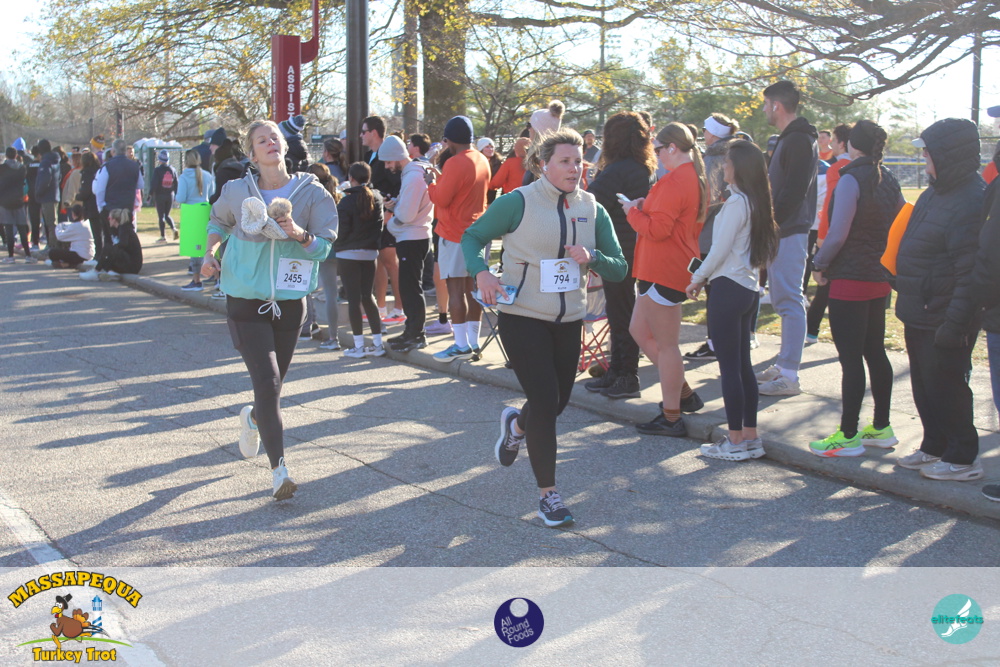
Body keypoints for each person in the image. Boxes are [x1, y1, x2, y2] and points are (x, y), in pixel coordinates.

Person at [462, 128, 626, 527]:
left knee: (555, 403)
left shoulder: (592, 207)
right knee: (546, 400)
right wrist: (481, 272)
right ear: (542, 164)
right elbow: (472, 236)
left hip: (569, 320)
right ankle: (548, 496)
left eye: (579, 161)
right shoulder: (518, 202)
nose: (575, 168)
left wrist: (593, 256)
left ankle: (517, 424)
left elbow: (620, 268)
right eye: (565, 161)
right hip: (522, 316)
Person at [201, 119, 337, 500]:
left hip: (290, 302)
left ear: (284, 146)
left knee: (271, 391)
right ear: (252, 153)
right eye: (262, 140)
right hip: (246, 296)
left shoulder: (311, 192)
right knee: (269, 382)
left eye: (275, 137)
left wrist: (298, 234)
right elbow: (217, 222)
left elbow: (325, 246)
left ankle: (253, 417)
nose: (270, 143)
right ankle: (280, 471)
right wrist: (209, 254)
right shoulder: (237, 190)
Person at [893, 118, 986, 481]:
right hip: (919, 307)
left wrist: (956, 322)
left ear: (948, 155)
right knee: (924, 384)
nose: (924, 159)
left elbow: (969, 271)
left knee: (947, 385)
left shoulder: (971, 200)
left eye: (928, 153)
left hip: (945, 313)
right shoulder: (935, 192)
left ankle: (963, 457)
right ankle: (934, 445)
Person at [809, 120, 904, 457]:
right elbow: (900, 223)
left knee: (851, 360)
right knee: (875, 352)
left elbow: (838, 233)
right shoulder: (889, 178)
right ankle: (881, 426)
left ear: (851, 144)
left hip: (850, 278)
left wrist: (819, 263)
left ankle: (848, 434)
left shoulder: (851, 178)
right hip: (878, 276)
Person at [685, 140, 779, 460]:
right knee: (742, 367)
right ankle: (750, 437)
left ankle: (736, 441)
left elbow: (719, 249)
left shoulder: (737, 203)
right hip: (748, 290)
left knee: (730, 370)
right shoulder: (756, 202)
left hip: (728, 288)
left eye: (727, 162)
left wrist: (698, 278)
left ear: (739, 168)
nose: (723, 167)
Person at [622, 123, 708, 436]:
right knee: (639, 330)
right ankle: (682, 394)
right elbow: (667, 219)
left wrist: (631, 211)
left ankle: (672, 416)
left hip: (665, 267)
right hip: (663, 267)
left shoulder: (676, 180)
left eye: (658, 149)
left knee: (667, 346)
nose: (656, 155)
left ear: (672, 147)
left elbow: (657, 230)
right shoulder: (690, 177)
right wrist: (643, 207)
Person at [584, 112, 656, 399]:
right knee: (620, 312)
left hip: (619, 251)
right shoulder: (641, 167)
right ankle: (617, 369)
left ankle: (626, 374)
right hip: (634, 248)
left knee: (621, 313)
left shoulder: (617, 170)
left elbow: (591, 204)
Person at [756, 80, 819, 396]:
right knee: (784, 300)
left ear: (776, 105)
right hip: (784, 230)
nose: (764, 109)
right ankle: (783, 366)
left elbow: (793, 191)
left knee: (790, 301)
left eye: (766, 104)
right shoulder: (793, 138)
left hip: (789, 231)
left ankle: (790, 376)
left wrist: (771, 224)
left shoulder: (798, 140)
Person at [425, 115, 490, 361]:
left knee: (455, 290)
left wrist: (431, 183)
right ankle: (474, 342)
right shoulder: (482, 159)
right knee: (474, 289)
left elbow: (441, 199)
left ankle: (461, 345)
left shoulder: (454, 162)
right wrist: (441, 179)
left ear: (449, 140)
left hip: (454, 234)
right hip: (479, 233)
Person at [685, 112, 743, 361]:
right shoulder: (739, 152)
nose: (704, 134)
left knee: (714, 291)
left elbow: (707, 198)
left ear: (713, 133)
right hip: (735, 230)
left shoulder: (714, 158)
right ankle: (728, 341)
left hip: (711, 232)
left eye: (705, 130)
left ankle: (715, 343)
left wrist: (695, 223)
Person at [379, 135, 434, 352]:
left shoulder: (413, 176)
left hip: (412, 237)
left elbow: (407, 215)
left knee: (411, 288)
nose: (387, 166)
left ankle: (416, 334)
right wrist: (397, 206)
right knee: (410, 287)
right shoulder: (416, 172)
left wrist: (393, 219)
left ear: (397, 156)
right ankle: (412, 331)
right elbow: (409, 209)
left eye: (388, 161)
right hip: (416, 235)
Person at [336, 161, 386, 358]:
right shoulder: (377, 198)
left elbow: (342, 230)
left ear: (351, 178)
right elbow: (379, 226)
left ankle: (358, 346)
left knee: (354, 299)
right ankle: (378, 344)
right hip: (370, 252)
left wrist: (338, 244)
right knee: (368, 296)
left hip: (347, 253)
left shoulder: (346, 202)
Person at [807, 123, 852, 342]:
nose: (831, 143)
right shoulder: (877, 169)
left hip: (836, 236)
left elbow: (829, 209)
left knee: (826, 287)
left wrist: (821, 243)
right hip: (859, 241)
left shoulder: (838, 168)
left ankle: (812, 331)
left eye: (833, 139)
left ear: (843, 143)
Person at [360, 115, 404, 323]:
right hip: (374, 216)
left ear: (374, 133)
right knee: (378, 261)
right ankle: (380, 307)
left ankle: (400, 308)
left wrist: (391, 212)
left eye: (364, 131)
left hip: (388, 216)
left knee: (390, 261)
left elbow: (398, 184)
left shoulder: (388, 155)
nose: (361, 135)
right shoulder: (369, 155)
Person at [307, 162, 343, 350]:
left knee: (314, 290)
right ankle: (330, 335)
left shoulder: (313, 197)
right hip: (341, 248)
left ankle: (330, 336)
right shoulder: (339, 196)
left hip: (320, 248)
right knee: (331, 293)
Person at [176, 149, 215, 290]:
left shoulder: (184, 177)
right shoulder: (207, 175)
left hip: (191, 213)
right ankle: (216, 277)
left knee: (195, 249)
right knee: (208, 245)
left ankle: (196, 280)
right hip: (205, 211)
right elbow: (212, 194)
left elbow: (180, 197)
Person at [94, 139, 143, 246]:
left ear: (113, 151)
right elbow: (140, 185)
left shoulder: (107, 167)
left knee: (109, 238)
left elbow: (100, 189)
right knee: (126, 237)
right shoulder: (134, 166)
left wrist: (101, 206)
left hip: (111, 208)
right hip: (127, 208)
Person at [79, 208, 142, 280]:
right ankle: (108, 271)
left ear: (114, 220)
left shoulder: (124, 229)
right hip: (131, 264)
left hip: (133, 266)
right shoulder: (121, 229)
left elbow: (123, 244)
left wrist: (111, 249)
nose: (108, 220)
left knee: (108, 248)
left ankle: (96, 271)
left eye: (109, 218)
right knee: (109, 249)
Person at [0, 147, 30, 263]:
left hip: (5, 201)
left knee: (8, 228)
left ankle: (11, 256)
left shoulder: (2, 168)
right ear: (16, 155)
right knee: (22, 227)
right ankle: (28, 255)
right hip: (19, 200)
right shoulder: (22, 168)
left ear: (6, 156)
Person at [35, 139, 61, 253]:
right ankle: (52, 245)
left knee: (50, 223)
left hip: (47, 196)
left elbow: (45, 179)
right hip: (55, 194)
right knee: (53, 222)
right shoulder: (55, 160)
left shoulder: (45, 162)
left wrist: (38, 192)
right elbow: (58, 177)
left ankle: (52, 247)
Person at [150, 150, 179, 243]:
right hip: (170, 195)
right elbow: (176, 183)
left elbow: (154, 184)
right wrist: (176, 194)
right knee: (167, 215)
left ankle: (163, 236)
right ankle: (174, 229)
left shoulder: (157, 170)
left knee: (161, 216)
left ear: (160, 160)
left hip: (160, 195)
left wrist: (150, 194)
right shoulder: (172, 169)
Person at [477, 137, 503, 205]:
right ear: (481, 149)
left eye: (492, 147)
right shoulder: (475, 161)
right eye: (487, 147)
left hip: (491, 194)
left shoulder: (498, 162)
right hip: (477, 194)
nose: (490, 149)